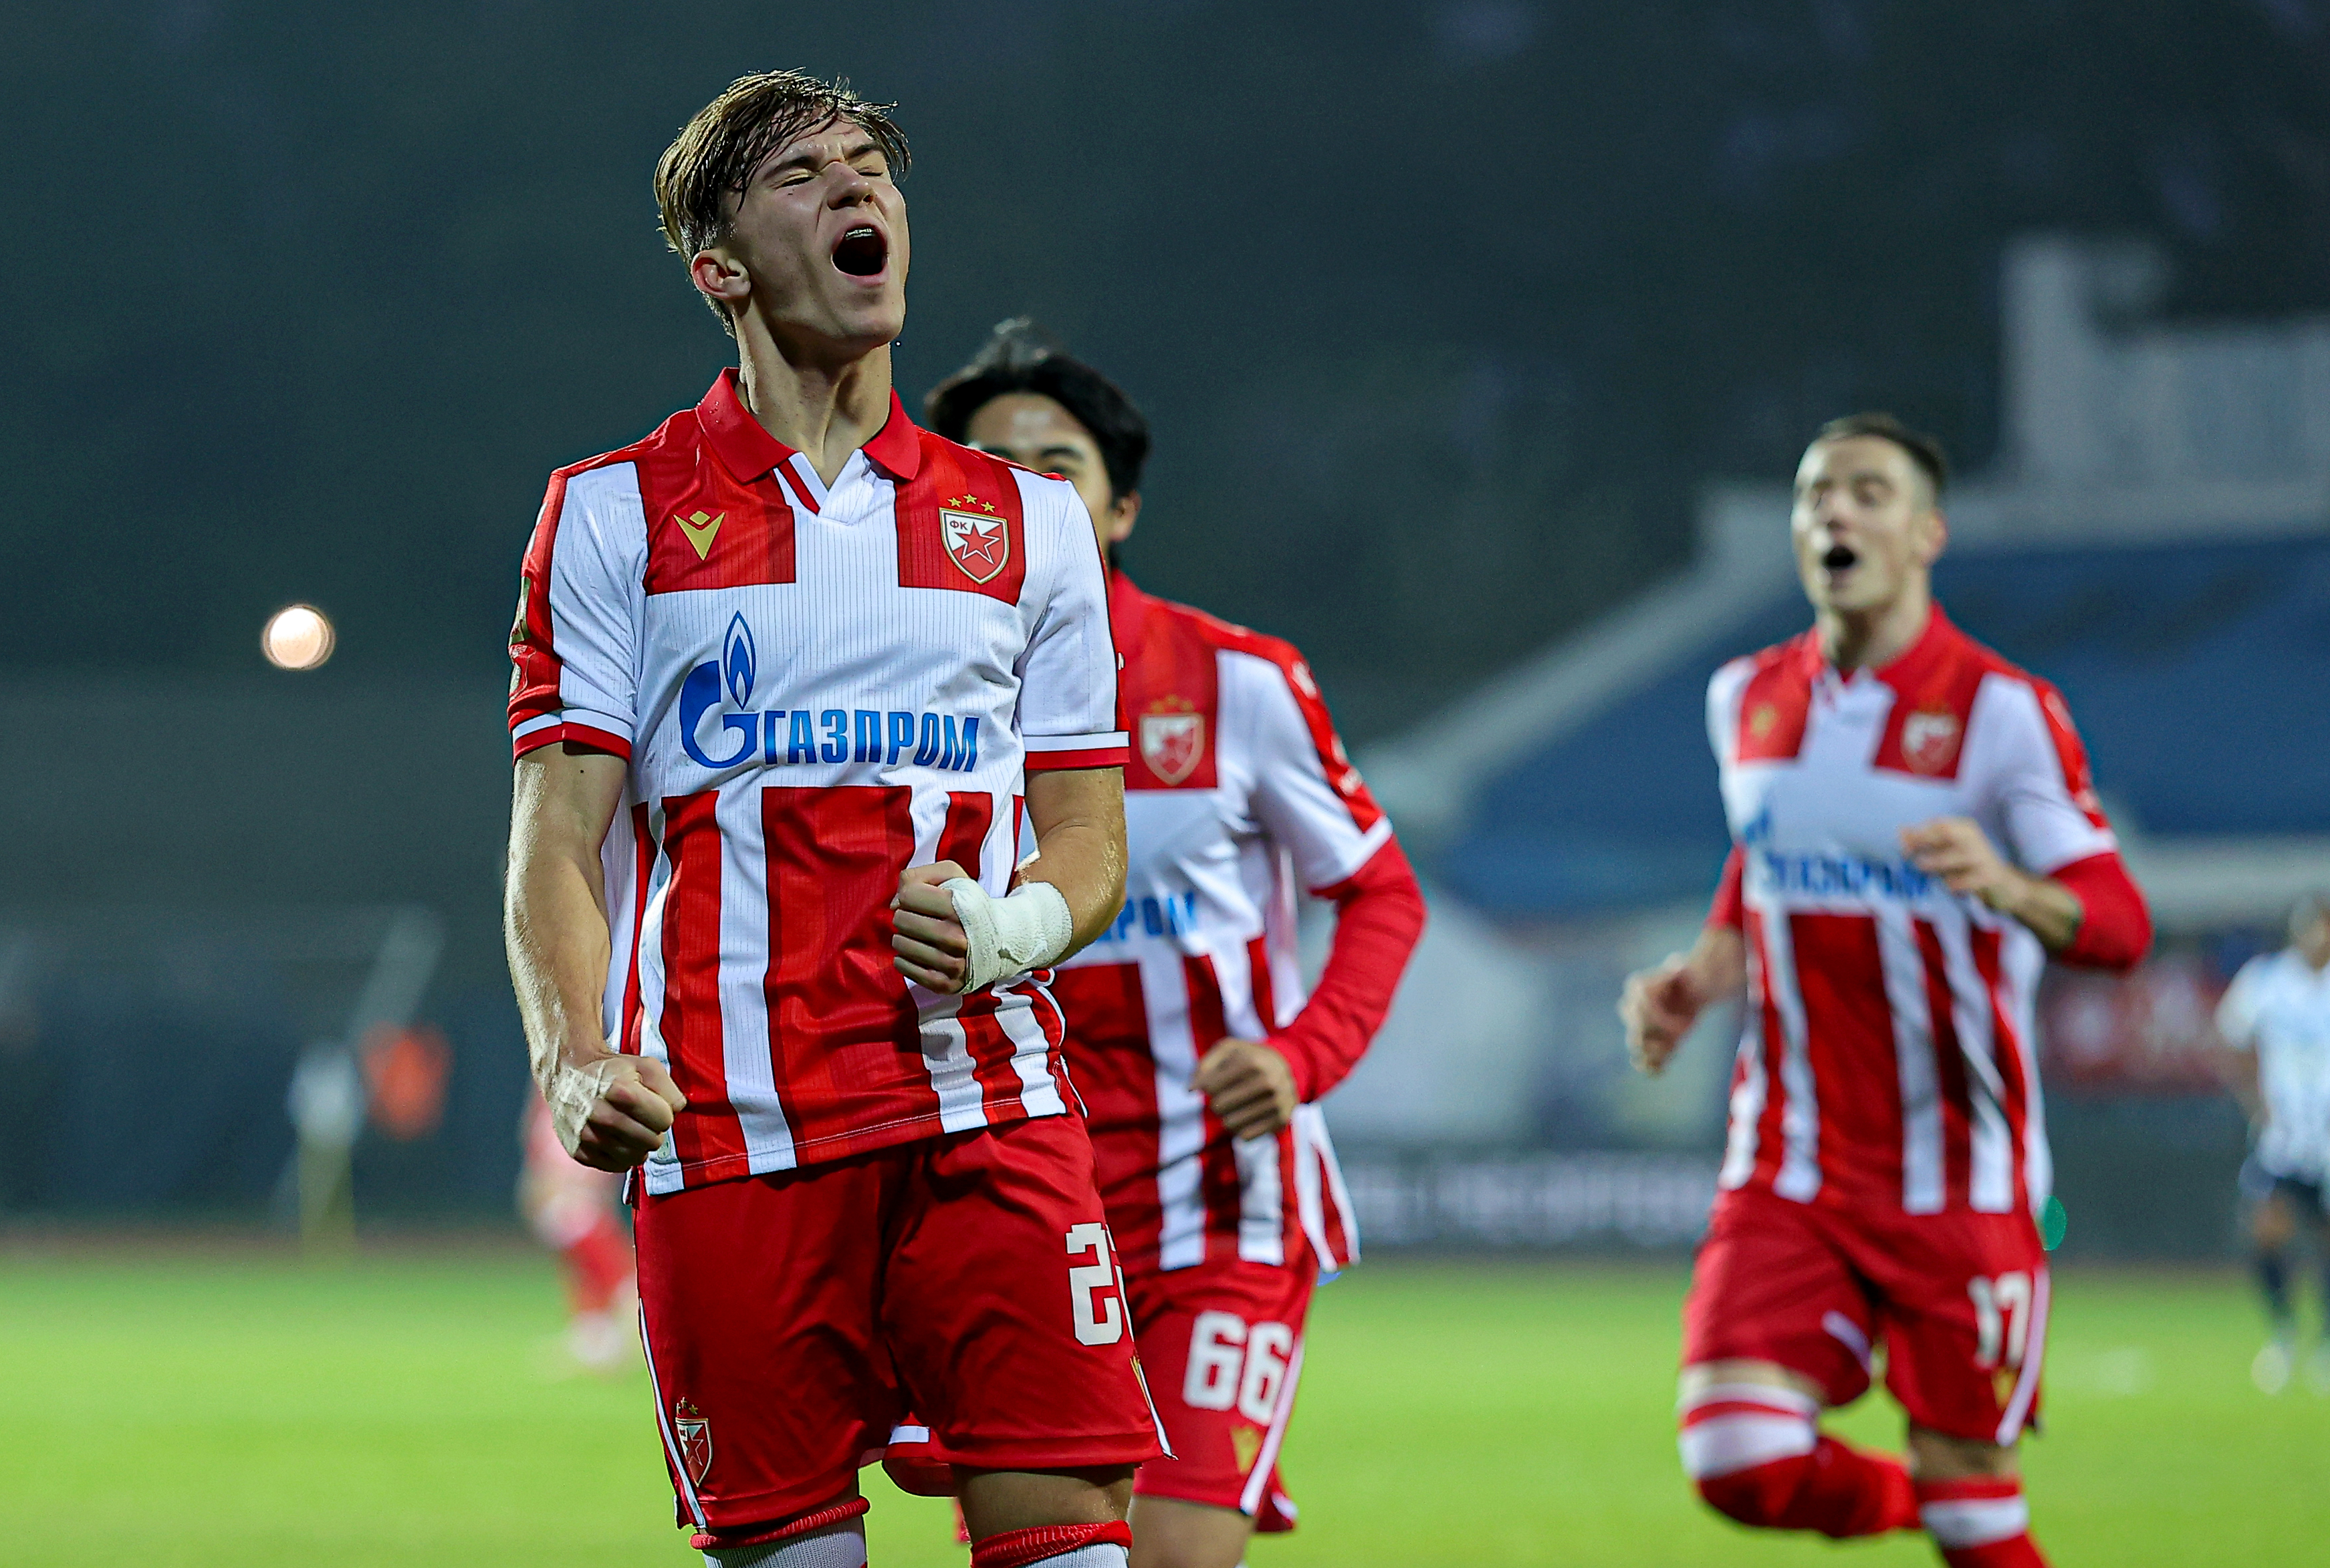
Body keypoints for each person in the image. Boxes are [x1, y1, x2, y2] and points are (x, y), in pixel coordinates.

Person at [503, 74, 1161, 1568]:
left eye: (871, 169)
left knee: (1074, 1549)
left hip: (986, 1113)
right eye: (802, 176)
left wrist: (1009, 928)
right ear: (717, 266)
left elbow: (1087, 832)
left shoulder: (1028, 523)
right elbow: (555, 832)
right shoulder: (613, 515)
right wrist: (572, 1056)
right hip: (730, 1139)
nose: (857, 193)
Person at [893, 321, 1426, 1568]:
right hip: (1011, 1181)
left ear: (1119, 507)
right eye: (990, 466)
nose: (1026, 488)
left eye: (1058, 463)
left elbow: (1382, 893)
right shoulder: (902, 700)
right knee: (1044, 1551)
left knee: (1175, 1556)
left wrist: (1302, 1056)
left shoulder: (1239, 682)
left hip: (1219, 1194)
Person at [1618, 413, 2151, 1568]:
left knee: (1979, 1511)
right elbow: (1756, 866)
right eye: (1816, 496)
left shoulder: (2002, 710)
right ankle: (1912, 1504)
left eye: (1867, 493)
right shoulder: (1744, 698)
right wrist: (1701, 977)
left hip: (1960, 1174)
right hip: (1791, 1163)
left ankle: (1948, 1509)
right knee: (1736, 1458)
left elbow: (2118, 924)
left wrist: (2011, 885)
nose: (1835, 515)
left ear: (1925, 535)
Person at [2214, 895, 2330, 1394]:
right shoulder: (2267, 981)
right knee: (2265, 1228)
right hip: (2283, 1136)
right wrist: (2254, 1101)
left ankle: (2325, 1342)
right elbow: (2229, 1038)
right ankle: (2283, 1331)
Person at [519, 1090, 638, 1374]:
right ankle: (595, 1340)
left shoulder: (584, 1098)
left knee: (623, 1281)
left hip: (577, 1199)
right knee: (585, 1271)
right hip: (570, 1197)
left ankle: (626, 1342)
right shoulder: (549, 1104)